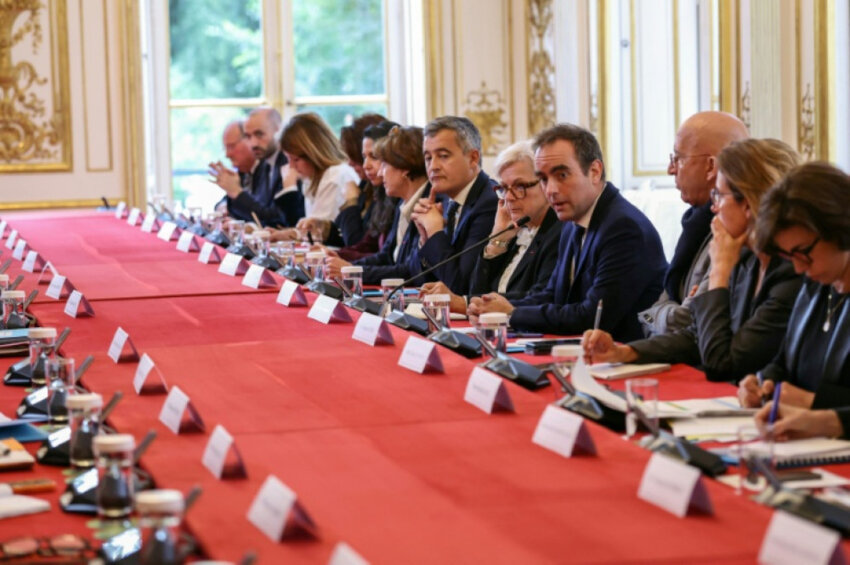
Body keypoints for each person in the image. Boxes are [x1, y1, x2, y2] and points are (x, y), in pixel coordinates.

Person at [583, 139, 803, 382]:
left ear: (749, 203)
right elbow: (697, 335)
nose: (714, 208)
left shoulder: (791, 271)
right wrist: (624, 352)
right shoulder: (748, 259)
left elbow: (723, 364)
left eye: (718, 195)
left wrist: (719, 272)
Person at [468, 124, 667, 340]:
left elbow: (591, 316)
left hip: (621, 361)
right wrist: (496, 307)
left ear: (594, 171)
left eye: (561, 175)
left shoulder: (624, 228)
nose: (551, 190)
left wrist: (512, 314)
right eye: (543, 179)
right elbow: (553, 295)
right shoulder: (573, 223)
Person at [738, 162, 850, 414]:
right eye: (790, 257)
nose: (799, 269)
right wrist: (764, 382)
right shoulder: (817, 284)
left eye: (803, 252)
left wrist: (814, 404)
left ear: (841, 226)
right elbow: (785, 363)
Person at [640, 112, 749, 336]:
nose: (670, 170)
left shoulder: (729, 233)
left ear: (710, 166)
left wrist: (655, 316)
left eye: (677, 159)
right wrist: (654, 316)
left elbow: (690, 320)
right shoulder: (695, 224)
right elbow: (647, 314)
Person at [419, 140, 561, 313]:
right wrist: (497, 239)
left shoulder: (558, 232)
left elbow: (539, 297)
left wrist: (463, 302)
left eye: (519, 186)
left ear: (546, 185)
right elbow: (477, 290)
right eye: (504, 188)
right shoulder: (516, 230)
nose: (508, 197)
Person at [324, 126, 430, 285]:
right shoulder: (403, 201)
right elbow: (386, 255)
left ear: (405, 169)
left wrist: (352, 271)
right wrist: (348, 267)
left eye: (385, 165)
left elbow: (410, 271)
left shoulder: (428, 205)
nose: (380, 173)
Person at [407, 116, 498, 294]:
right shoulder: (445, 198)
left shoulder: (489, 202)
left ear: (473, 158)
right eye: (428, 158)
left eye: (443, 156)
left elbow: (459, 286)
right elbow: (418, 280)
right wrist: (425, 237)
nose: (433, 166)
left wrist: (435, 232)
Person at [300, 114, 391, 249]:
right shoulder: (367, 185)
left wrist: (351, 202)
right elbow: (349, 239)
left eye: (355, 156)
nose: (350, 163)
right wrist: (324, 228)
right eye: (364, 156)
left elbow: (356, 242)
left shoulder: (387, 190)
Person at [211, 108, 305, 227]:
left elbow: (279, 219)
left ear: (279, 130)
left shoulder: (290, 163)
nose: (253, 143)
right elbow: (259, 210)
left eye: (259, 134)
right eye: (248, 136)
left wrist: (236, 192)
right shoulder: (264, 164)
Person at [278, 113, 361, 231]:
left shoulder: (334, 176)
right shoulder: (311, 178)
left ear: (314, 154)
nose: (291, 166)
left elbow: (316, 232)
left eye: (296, 159)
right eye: (288, 158)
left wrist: (289, 190)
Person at [208, 120, 257, 218]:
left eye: (231, 146)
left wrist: (236, 192)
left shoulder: (268, 170)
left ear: (249, 141)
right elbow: (226, 200)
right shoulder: (244, 172)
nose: (227, 154)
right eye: (225, 148)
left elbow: (267, 216)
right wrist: (223, 206)